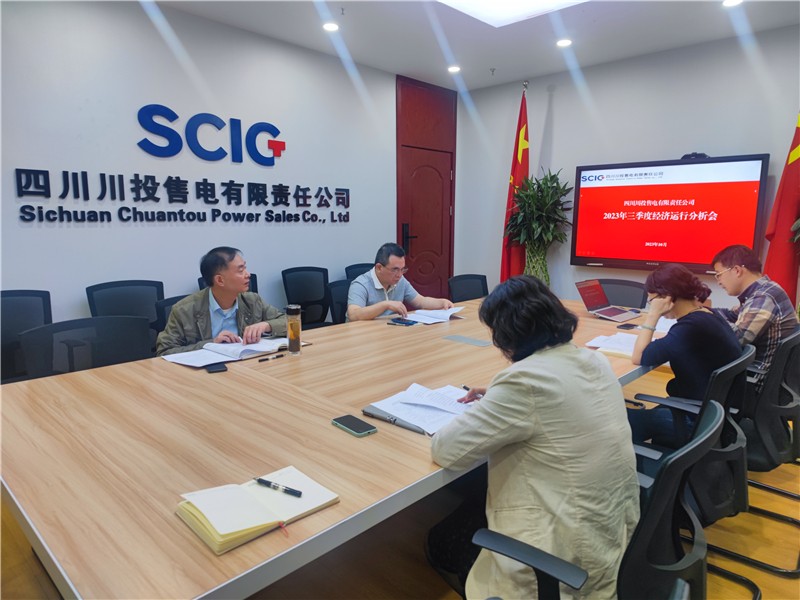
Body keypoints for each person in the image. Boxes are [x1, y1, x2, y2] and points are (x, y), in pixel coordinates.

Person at [429, 275, 639, 600]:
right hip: (613, 533)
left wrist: (498, 399)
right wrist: (500, 395)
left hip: (563, 558)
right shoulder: (593, 358)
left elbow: (446, 449)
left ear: (506, 335)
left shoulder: (524, 382)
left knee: (440, 543)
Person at [627, 263, 741, 446]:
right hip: (714, 414)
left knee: (617, 418)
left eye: (652, 301)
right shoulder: (708, 314)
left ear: (666, 297)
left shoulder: (689, 328)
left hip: (695, 422)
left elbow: (639, 357)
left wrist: (653, 315)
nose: (651, 305)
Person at [156, 247, 286, 356]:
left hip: (248, 367)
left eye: (245, 268)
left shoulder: (252, 301)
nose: (248, 274)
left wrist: (266, 325)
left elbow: (290, 322)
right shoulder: (184, 310)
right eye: (241, 270)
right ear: (220, 280)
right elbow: (165, 351)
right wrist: (210, 344)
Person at [710, 245, 799, 393]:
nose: (718, 281)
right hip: (765, 378)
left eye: (719, 274)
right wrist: (703, 311)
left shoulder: (763, 296)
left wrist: (706, 320)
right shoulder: (764, 291)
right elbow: (732, 315)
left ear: (737, 270)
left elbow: (737, 339)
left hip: (757, 382)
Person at [346, 242, 454, 321]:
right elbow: (354, 315)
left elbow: (420, 301)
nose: (399, 274)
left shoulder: (400, 280)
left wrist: (441, 303)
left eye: (402, 269)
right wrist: (385, 305)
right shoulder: (360, 284)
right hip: (363, 335)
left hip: (388, 331)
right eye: (395, 270)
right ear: (379, 268)